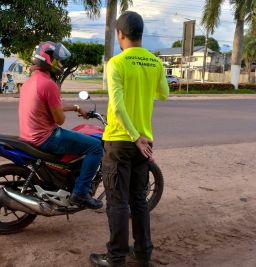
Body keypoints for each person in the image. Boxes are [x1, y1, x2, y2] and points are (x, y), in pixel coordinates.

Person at [89, 11, 169, 267]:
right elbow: (164, 94)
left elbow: (119, 105)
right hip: (144, 143)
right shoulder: (155, 63)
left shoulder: (116, 63)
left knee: (117, 202)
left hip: (121, 141)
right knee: (138, 200)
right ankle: (143, 253)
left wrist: (133, 136)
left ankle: (115, 258)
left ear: (120, 34)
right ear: (141, 34)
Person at [18, 41, 103, 209]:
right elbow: (59, 119)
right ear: (48, 60)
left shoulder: (30, 82)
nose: (61, 64)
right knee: (95, 147)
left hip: (29, 135)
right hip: (46, 137)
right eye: (59, 60)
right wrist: (65, 112)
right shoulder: (48, 84)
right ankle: (81, 193)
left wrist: (76, 107)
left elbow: (50, 105)